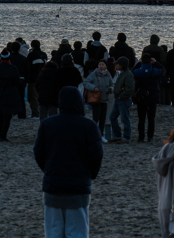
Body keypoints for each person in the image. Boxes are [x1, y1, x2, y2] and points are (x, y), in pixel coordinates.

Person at [33, 86, 104, 238]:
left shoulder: (48, 124)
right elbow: (96, 155)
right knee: (77, 231)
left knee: (54, 231)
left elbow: (39, 152)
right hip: (78, 187)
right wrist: (90, 175)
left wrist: (49, 170)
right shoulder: (88, 126)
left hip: (53, 185)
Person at [0, 50, 25, 142]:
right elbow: (17, 82)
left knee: (1, 115)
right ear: (9, 58)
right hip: (10, 93)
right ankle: (3, 135)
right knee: (7, 115)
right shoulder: (13, 69)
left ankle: (0, 134)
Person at [133, 56, 167, 143]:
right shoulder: (155, 71)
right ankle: (150, 137)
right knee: (151, 118)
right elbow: (163, 70)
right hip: (153, 97)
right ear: (150, 62)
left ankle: (141, 137)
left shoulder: (138, 72)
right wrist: (156, 63)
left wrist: (139, 63)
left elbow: (131, 71)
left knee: (141, 118)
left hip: (141, 97)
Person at [83, 59, 114, 141]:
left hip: (105, 99)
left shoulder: (108, 74)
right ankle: (93, 134)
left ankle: (100, 135)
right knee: (96, 118)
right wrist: (93, 88)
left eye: (103, 64)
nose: (101, 66)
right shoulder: (94, 74)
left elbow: (112, 84)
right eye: (99, 64)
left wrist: (110, 89)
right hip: (96, 99)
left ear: (106, 66)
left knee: (103, 119)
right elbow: (85, 82)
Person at [109, 57, 135, 143]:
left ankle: (126, 137)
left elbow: (130, 88)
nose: (116, 66)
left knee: (125, 119)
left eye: (118, 64)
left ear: (122, 65)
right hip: (118, 99)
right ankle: (117, 135)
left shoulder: (128, 74)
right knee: (112, 117)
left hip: (123, 100)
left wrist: (122, 96)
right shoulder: (122, 73)